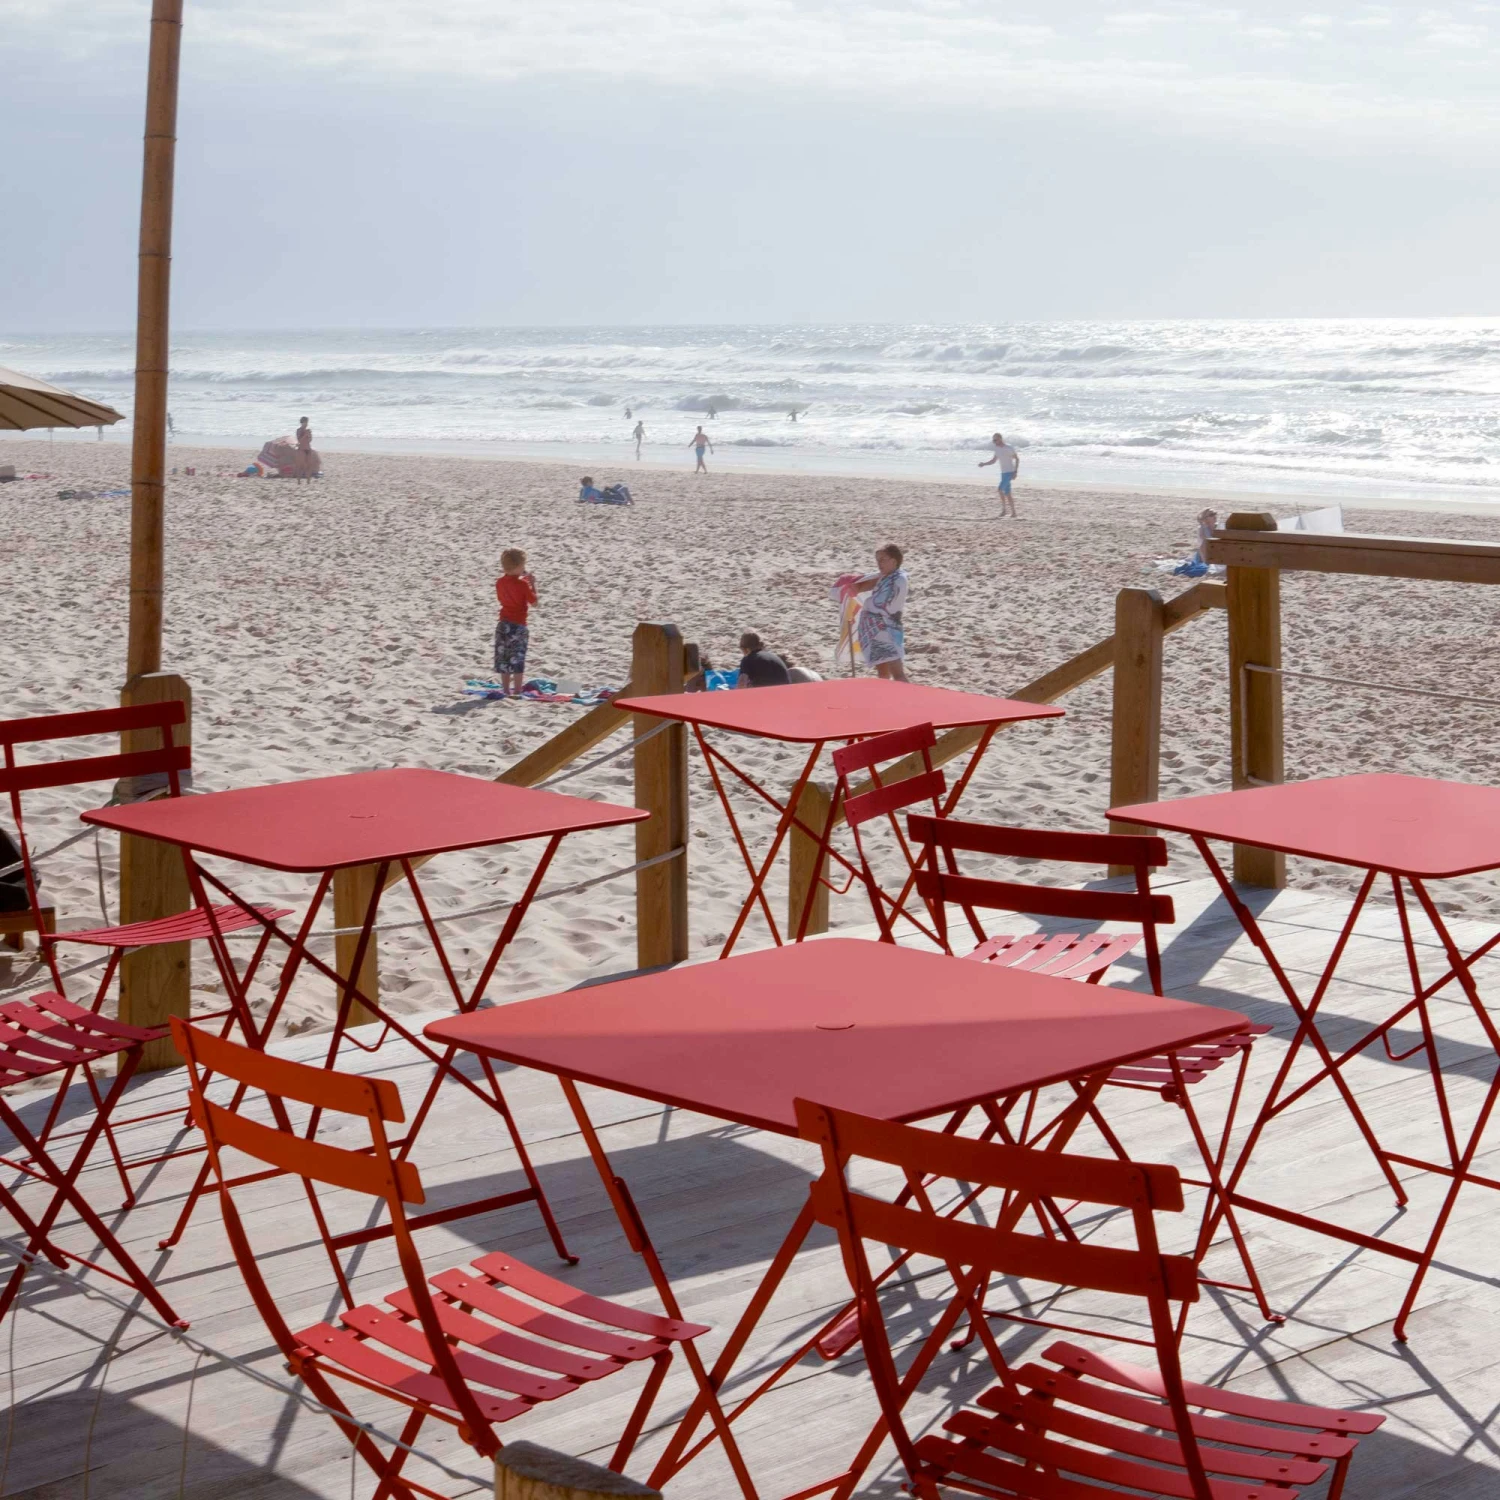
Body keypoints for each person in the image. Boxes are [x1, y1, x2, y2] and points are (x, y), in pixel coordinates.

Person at [854, 544, 909, 682]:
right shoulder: (884, 577)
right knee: (883, 674)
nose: (879, 563)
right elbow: (858, 588)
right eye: (877, 560)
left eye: (883, 560)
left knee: (897, 673)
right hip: (875, 630)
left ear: (894, 561)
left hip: (886, 630)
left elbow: (884, 604)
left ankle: (909, 695)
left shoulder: (899, 579)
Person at [493, 548, 537, 698]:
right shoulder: (523, 585)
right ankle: (518, 689)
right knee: (518, 657)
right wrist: (532, 584)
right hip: (518, 625)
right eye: (523, 565)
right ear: (518, 566)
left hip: (503, 624)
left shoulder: (499, 582)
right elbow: (534, 602)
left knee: (503, 657)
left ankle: (505, 689)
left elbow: (503, 598)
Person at [978, 430, 1020, 517]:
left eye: (995, 440)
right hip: (1003, 473)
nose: (994, 442)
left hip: (1009, 472)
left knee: (1000, 489)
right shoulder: (997, 449)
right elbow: (993, 461)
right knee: (1008, 493)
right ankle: (1014, 512)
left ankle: (1004, 510)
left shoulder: (1009, 448)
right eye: (993, 440)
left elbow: (1017, 459)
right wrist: (984, 464)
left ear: (1000, 439)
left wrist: (1015, 472)